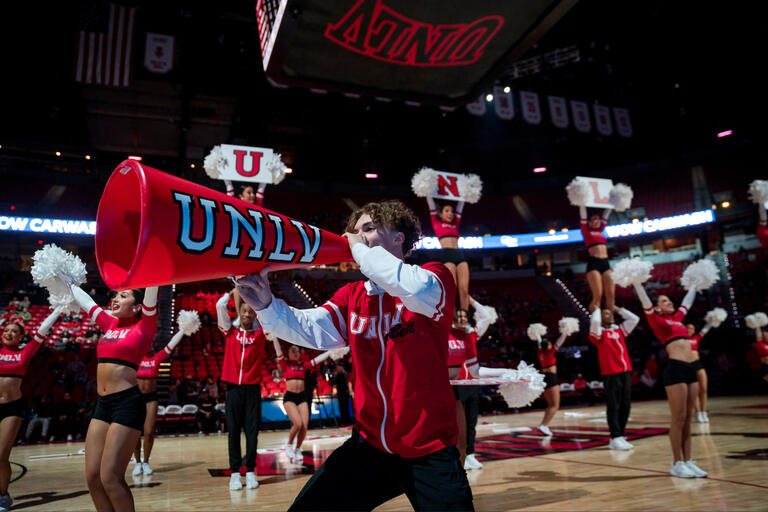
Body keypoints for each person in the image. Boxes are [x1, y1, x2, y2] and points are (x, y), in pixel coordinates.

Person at [236, 200, 474, 511]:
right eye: (353, 233)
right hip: (370, 447)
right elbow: (311, 328)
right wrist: (267, 305)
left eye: (368, 229)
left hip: (429, 449)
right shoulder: (353, 296)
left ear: (398, 238)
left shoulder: (435, 276)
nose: (356, 238)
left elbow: (412, 290)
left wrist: (360, 251)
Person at [71, 284, 159, 511]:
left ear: (138, 307)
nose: (115, 299)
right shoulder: (110, 324)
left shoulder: (145, 326)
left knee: (110, 477)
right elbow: (87, 303)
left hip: (127, 404)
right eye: (116, 295)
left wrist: (153, 273)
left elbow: (152, 292)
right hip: (102, 405)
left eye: (124, 295)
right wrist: (66, 279)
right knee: (92, 477)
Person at [631, 281, 707, 478]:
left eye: (670, 300)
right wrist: (637, 282)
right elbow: (645, 301)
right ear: (657, 307)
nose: (670, 302)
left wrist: (694, 283)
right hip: (676, 369)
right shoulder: (656, 320)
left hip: (692, 369)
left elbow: (687, 303)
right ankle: (676, 462)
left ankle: (688, 461)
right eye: (665, 301)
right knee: (678, 418)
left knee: (689, 418)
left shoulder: (678, 319)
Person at [0, 307, 62, 510]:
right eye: (6, 330)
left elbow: (42, 330)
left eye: (14, 331)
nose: (8, 333)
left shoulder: (25, 352)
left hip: (12, 408)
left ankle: (3, 495)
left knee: (1, 455)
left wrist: (57, 311)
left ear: (21, 337)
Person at [216, 290, 268, 491]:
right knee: (234, 432)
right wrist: (231, 292)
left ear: (254, 315)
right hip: (232, 389)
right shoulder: (230, 332)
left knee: (253, 432)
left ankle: (252, 471)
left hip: (252, 388)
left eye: (250, 312)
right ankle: (235, 473)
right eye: (244, 311)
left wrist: (258, 298)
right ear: (239, 312)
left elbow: (268, 317)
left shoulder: (260, 334)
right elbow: (220, 306)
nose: (247, 314)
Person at [448, 300, 505, 467]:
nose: (463, 319)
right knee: (459, 423)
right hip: (455, 384)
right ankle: (457, 455)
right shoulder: (447, 333)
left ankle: (470, 454)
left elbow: (486, 317)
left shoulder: (471, 333)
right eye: (459, 316)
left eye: (465, 316)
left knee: (472, 421)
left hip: (472, 383)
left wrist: (470, 299)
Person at [272, 338, 344, 464]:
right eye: (292, 350)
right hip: (290, 397)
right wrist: (274, 338)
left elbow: (318, 359)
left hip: (302, 397)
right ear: (288, 353)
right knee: (298, 424)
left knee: (305, 426)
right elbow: (278, 350)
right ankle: (289, 445)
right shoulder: (285, 364)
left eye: (297, 351)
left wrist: (330, 351)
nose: (295, 352)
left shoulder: (302, 365)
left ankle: (298, 449)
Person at [132, 322, 188, 476]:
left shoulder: (157, 357)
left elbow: (171, 344)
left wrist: (183, 330)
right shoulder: (134, 357)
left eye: (151, 343)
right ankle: (137, 463)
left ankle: (146, 461)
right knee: (135, 433)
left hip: (151, 398)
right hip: (135, 398)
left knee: (149, 432)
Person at [589, 306, 640, 450]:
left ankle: (621, 434)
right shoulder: (598, 334)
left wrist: (618, 309)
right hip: (610, 373)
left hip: (625, 371)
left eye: (610, 314)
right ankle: (615, 436)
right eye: (606, 313)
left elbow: (635, 319)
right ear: (601, 317)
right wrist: (597, 309)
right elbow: (594, 323)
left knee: (625, 405)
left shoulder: (619, 330)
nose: (609, 315)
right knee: (614, 405)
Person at [426, 195, 470, 311]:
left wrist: (464, 192)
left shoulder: (455, 224)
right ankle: (452, 318)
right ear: (440, 214)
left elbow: (461, 205)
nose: (450, 213)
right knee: (452, 289)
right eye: (447, 211)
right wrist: (427, 192)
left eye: (451, 211)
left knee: (464, 290)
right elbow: (430, 204)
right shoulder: (436, 222)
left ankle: (465, 318)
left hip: (460, 254)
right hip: (447, 255)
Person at [533, 325, 569, 436]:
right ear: (548, 346)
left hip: (544, 377)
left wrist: (538, 334)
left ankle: (544, 425)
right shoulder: (549, 352)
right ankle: (543, 425)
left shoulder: (540, 352)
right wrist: (565, 333)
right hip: (551, 377)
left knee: (550, 405)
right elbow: (560, 341)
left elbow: (539, 342)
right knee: (555, 405)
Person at [579, 205, 615, 313]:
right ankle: (595, 323)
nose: (597, 221)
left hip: (605, 263)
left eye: (598, 219)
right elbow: (583, 217)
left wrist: (611, 204)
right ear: (589, 222)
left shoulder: (601, 230)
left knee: (611, 295)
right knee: (598, 295)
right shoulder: (586, 231)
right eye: (594, 219)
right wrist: (582, 203)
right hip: (594, 263)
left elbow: (606, 215)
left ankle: (611, 322)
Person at [687, 322, 712, 423]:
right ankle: (698, 413)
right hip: (689, 365)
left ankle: (703, 411)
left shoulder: (696, 338)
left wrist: (712, 320)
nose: (690, 329)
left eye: (692, 328)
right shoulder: (682, 339)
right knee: (694, 391)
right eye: (688, 327)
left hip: (698, 363)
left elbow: (705, 330)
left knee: (704, 388)